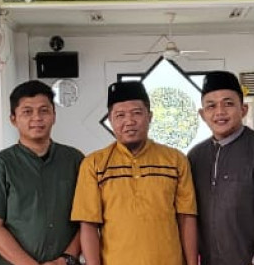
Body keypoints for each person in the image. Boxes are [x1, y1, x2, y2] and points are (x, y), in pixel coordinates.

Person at [70, 81, 199, 265]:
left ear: (150, 116)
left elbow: (186, 217)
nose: (129, 121)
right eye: (120, 115)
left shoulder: (175, 160)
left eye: (137, 113)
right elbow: (88, 225)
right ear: (110, 120)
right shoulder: (94, 164)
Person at [187, 71, 254, 265]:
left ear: (243, 109)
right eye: (211, 106)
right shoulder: (196, 156)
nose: (220, 112)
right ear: (202, 114)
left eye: (228, 104)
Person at [0, 80, 84, 265]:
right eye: (27, 112)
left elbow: (87, 220)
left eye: (44, 111)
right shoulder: (0, 165)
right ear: (13, 119)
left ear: (54, 116)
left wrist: (65, 259)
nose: (37, 118)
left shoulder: (75, 160)